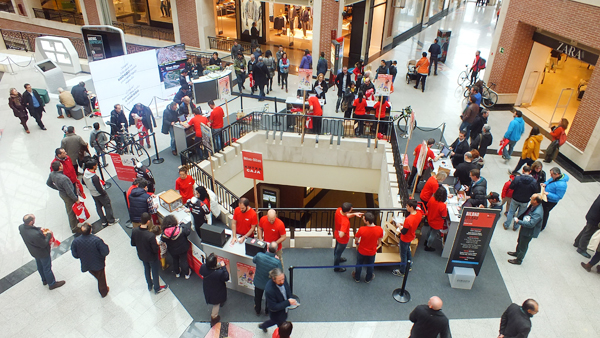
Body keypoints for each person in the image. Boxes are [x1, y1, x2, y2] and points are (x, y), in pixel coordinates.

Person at [19, 214, 65, 290]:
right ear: (31, 222)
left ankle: (44, 280)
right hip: (42, 253)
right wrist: (49, 235)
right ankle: (52, 284)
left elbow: (32, 230)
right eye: (34, 219)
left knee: (40, 266)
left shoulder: (21, 227)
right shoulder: (35, 235)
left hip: (34, 252)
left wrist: (39, 229)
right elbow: (44, 244)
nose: (35, 220)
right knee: (47, 268)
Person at [131, 212, 168, 294]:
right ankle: (157, 288)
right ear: (148, 221)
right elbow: (155, 249)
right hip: (152, 257)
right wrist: (157, 245)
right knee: (155, 271)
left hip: (141, 255)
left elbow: (133, 243)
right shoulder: (150, 236)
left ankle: (149, 285)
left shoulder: (134, 231)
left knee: (146, 269)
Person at [71, 222, 110, 297]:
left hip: (86, 263)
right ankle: (103, 292)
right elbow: (105, 251)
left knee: (96, 275)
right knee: (101, 278)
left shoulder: (76, 241)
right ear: (90, 230)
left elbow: (75, 254)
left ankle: (101, 284)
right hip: (98, 263)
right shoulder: (96, 240)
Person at [507, 194, 544, 265]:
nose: (530, 199)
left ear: (535, 201)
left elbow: (531, 224)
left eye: (532, 198)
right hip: (525, 227)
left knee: (523, 245)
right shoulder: (533, 206)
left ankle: (519, 260)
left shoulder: (537, 213)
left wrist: (519, 221)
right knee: (520, 241)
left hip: (529, 231)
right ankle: (517, 253)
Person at [258, 268, 296, 332]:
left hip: (284, 310)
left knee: (276, 321)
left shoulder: (282, 277)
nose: (282, 282)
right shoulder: (269, 290)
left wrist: (290, 297)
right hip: (277, 313)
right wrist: (288, 302)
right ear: (273, 279)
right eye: (279, 280)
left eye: (283, 279)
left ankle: (263, 325)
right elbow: (273, 307)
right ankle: (263, 326)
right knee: (279, 325)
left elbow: (287, 287)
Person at [82, 160, 119, 226]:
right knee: (107, 206)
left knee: (98, 207)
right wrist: (104, 193)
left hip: (93, 194)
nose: (97, 166)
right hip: (99, 194)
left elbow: (83, 182)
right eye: (96, 165)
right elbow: (99, 188)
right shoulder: (94, 177)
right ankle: (111, 220)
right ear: (93, 166)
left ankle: (103, 221)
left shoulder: (85, 173)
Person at [47, 161, 79, 233]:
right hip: (67, 196)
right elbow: (69, 192)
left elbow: (48, 183)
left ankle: (75, 221)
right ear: (60, 167)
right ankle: (74, 227)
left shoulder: (52, 174)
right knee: (71, 211)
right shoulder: (63, 178)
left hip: (62, 194)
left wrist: (58, 188)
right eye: (61, 165)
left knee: (70, 208)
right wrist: (76, 199)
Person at [504, 166, 538, 230]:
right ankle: (516, 226)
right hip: (525, 200)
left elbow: (511, 187)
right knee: (520, 214)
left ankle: (506, 225)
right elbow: (536, 191)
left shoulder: (517, 178)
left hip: (515, 198)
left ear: (523, 170)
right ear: (530, 171)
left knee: (511, 212)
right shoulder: (534, 181)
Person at [253, 242, 283, 315]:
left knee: (257, 297)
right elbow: (280, 272)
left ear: (268, 248)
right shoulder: (276, 262)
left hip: (258, 282)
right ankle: (267, 311)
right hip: (269, 285)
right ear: (276, 251)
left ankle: (257, 309)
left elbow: (254, 260)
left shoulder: (259, 255)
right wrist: (278, 259)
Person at [352, 212, 383, 283]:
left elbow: (356, 238)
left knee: (359, 264)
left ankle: (357, 277)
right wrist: (376, 245)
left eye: (364, 219)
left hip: (362, 250)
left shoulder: (362, 229)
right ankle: (368, 278)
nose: (363, 219)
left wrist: (357, 243)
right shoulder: (379, 229)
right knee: (370, 265)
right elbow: (379, 241)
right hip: (372, 251)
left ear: (367, 221)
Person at [200, 253, 229, 326]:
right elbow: (226, 277)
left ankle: (220, 303)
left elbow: (201, 272)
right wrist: (224, 267)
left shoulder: (203, 267)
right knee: (216, 304)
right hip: (217, 290)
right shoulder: (219, 272)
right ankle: (214, 317)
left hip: (208, 287)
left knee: (216, 300)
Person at [392, 200, 420, 277]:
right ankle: (409, 265)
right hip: (411, 236)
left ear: (411, 207)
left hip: (405, 238)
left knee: (403, 255)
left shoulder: (408, 219)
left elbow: (403, 231)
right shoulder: (418, 214)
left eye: (407, 206)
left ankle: (402, 271)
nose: (406, 207)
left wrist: (399, 226)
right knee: (408, 250)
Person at [333, 202, 363, 272]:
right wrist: (343, 232)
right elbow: (341, 234)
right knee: (338, 252)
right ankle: (336, 267)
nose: (352, 210)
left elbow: (346, 215)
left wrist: (354, 214)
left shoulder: (338, 210)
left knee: (336, 249)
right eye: (351, 210)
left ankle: (337, 258)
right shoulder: (345, 222)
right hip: (342, 240)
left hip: (336, 233)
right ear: (347, 211)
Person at [161, 214, 191, 279]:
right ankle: (186, 274)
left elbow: (162, 239)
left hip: (172, 250)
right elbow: (188, 231)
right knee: (184, 261)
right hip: (182, 249)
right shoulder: (180, 230)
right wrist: (182, 224)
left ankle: (177, 273)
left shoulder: (164, 233)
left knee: (175, 260)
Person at [574, 194, 600, 258]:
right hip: (596, 219)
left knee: (586, 229)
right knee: (588, 233)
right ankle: (581, 248)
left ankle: (577, 242)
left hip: (591, 214)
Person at [425, 187, 448, 252]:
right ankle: (428, 246)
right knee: (433, 234)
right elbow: (444, 216)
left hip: (430, 218)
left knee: (429, 231)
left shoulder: (432, 199)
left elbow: (428, 206)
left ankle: (426, 241)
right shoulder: (443, 206)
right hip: (437, 223)